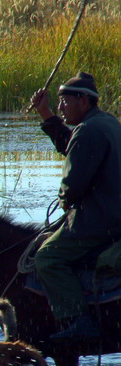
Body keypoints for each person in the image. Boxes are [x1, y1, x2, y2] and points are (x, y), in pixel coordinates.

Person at [31, 71, 121, 340]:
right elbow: (73, 147)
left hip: (97, 223)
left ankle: (79, 319)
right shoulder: (108, 123)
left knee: (47, 257)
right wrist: (46, 114)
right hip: (114, 217)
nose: (61, 107)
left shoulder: (88, 130)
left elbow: (72, 186)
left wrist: (64, 200)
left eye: (65, 102)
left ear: (83, 100)